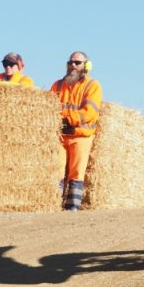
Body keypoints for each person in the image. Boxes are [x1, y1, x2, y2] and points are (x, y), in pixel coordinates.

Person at [50, 51, 102, 211]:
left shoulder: (92, 86)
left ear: (86, 66)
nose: (73, 65)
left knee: (76, 172)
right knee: (56, 169)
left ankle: (72, 208)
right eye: (71, 62)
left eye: (78, 63)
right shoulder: (57, 85)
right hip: (61, 135)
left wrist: (67, 118)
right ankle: (54, 205)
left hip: (81, 136)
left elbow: (90, 112)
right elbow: (48, 109)